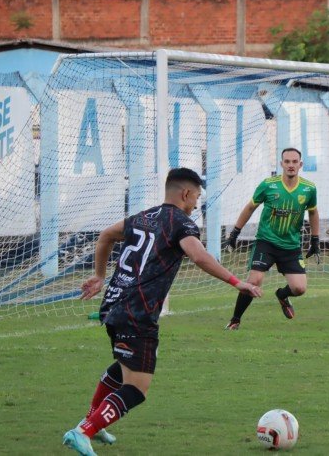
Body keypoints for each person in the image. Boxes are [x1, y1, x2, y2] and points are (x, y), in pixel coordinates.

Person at [62, 167, 262, 456]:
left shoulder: (142, 217)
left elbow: (106, 235)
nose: (196, 204)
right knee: (137, 388)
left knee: (123, 368)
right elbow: (199, 256)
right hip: (138, 313)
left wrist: (99, 275)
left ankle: (92, 421)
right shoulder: (180, 224)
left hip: (114, 304)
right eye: (196, 197)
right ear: (186, 194)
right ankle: (83, 432)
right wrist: (236, 281)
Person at [224, 147, 320, 330]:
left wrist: (315, 240)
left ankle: (282, 296)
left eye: (294, 162)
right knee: (254, 281)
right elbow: (250, 207)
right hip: (266, 242)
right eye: (287, 161)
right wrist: (235, 232)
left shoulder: (309, 188)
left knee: (299, 289)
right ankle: (235, 319)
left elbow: (313, 212)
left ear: (300, 164)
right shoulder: (269, 185)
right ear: (281, 163)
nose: (291, 165)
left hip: (291, 246)